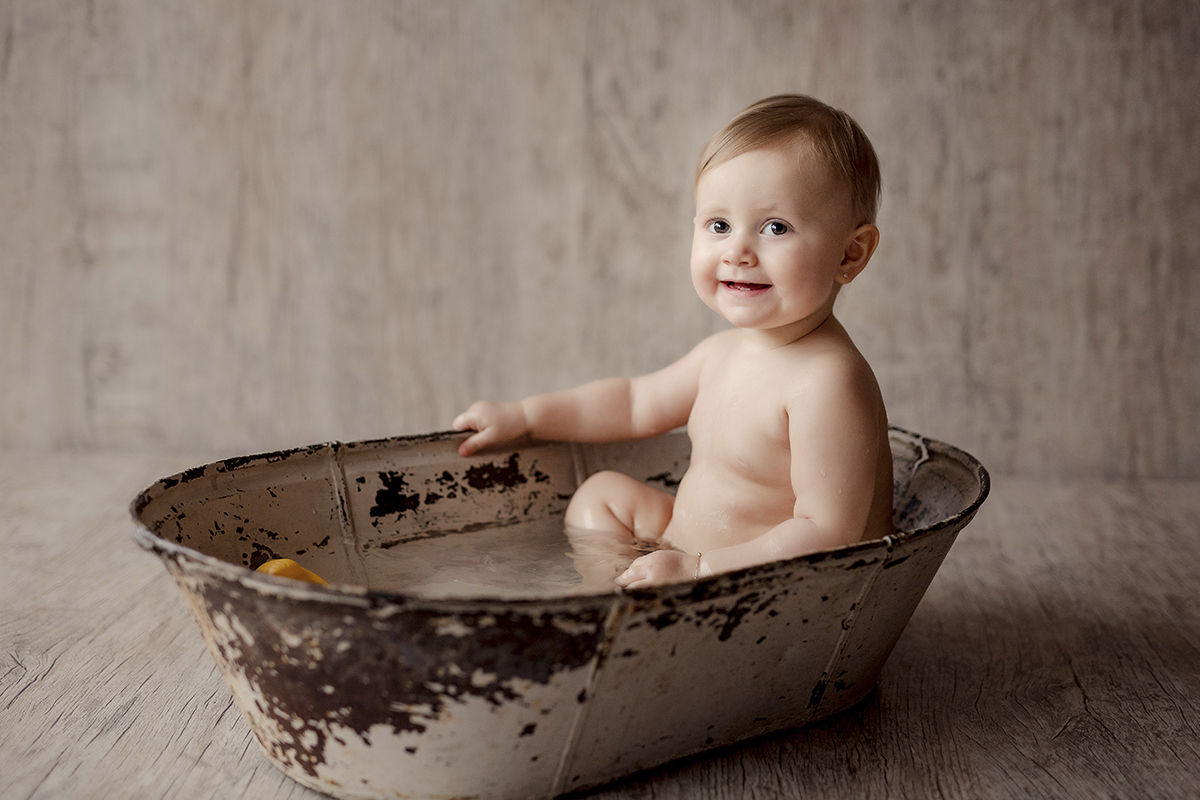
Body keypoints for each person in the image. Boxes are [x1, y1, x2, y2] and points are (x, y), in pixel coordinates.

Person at [453, 94, 893, 590]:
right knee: (600, 496)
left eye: (775, 227)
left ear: (850, 255)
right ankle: (609, 600)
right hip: (682, 553)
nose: (737, 251)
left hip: (761, 586)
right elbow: (632, 402)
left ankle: (625, 612)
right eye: (719, 225)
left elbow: (829, 533)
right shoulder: (721, 354)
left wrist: (702, 569)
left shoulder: (828, 381)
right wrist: (526, 417)